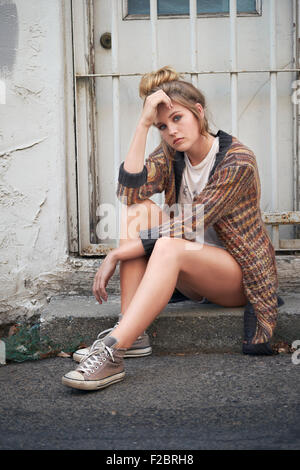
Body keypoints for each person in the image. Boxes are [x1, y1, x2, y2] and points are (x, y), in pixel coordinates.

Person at [62, 66, 281, 391]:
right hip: (188, 269)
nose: (172, 131)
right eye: (163, 126)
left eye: (178, 119)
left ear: (198, 112)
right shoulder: (172, 153)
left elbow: (189, 223)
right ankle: (131, 334)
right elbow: (128, 194)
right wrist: (142, 123)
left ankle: (112, 349)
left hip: (236, 278)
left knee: (168, 243)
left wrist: (120, 252)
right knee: (138, 211)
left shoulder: (238, 161)